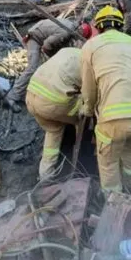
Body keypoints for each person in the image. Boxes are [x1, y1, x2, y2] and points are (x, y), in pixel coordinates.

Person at [80, 5, 131, 197]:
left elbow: (88, 88)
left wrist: (88, 110)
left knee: (108, 162)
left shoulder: (91, 46)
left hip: (115, 118)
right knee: (130, 152)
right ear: (121, 26)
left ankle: (115, 206)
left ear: (98, 27)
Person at [5, 19, 92, 111]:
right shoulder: (65, 32)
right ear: (79, 33)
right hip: (35, 38)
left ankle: (23, 92)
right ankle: (12, 96)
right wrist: (53, 58)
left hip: (41, 32)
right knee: (32, 68)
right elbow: (46, 46)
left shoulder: (71, 25)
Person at [26, 47, 83, 180]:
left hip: (31, 96)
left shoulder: (66, 51)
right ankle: (78, 158)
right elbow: (89, 91)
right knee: (83, 116)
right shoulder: (87, 60)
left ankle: (45, 176)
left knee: (53, 131)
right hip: (54, 103)